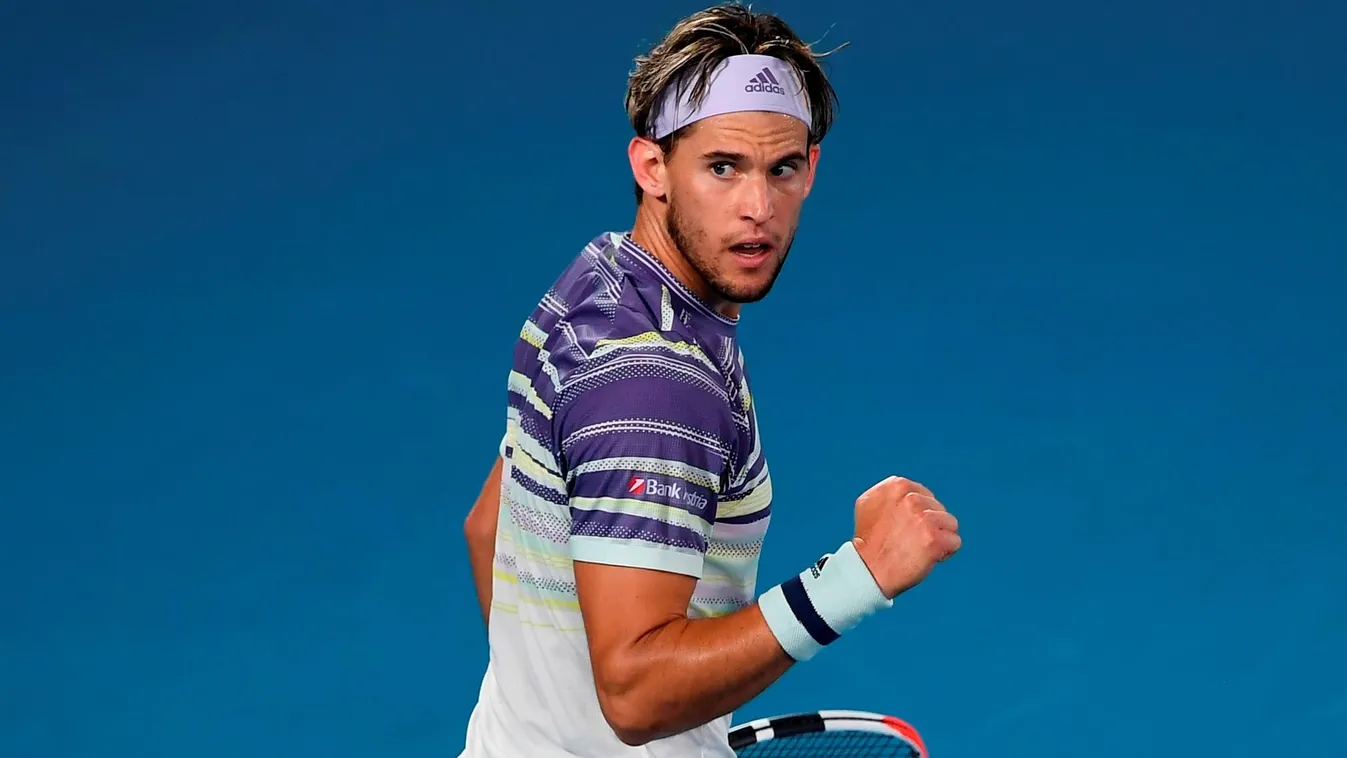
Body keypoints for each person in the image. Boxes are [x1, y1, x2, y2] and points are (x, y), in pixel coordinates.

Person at [459, 4, 962, 756]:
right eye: (722, 167)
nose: (756, 209)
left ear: (811, 169)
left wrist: (550, 719)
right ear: (652, 166)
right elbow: (634, 696)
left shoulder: (593, 289)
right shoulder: (658, 385)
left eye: (780, 168)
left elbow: (488, 531)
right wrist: (859, 576)